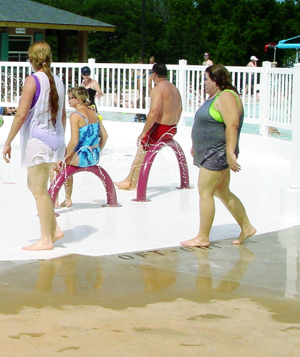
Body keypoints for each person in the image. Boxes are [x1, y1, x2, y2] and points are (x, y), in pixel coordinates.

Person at [2, 41, 66, 251]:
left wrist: (8, 140)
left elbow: (21, 115)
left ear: (31, 59)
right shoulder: (58, 80)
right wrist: (60, 148)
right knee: (36, 187)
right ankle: (54, 229)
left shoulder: (33, 80)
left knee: (39, 191)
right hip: (54, 139)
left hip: (38, 141)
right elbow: (62, 116)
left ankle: (46, 239)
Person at [182, 64, 256, 247]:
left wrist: (230, 153)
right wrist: (196, 145)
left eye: (206, 79)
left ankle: (202, 237)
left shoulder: (227, 96)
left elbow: (232, 125)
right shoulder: (218, 96)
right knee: (222, 191)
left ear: (216, 80)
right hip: (211, 151)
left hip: (217, 153)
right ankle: (246, 227)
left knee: (205, 191)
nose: (204, 83)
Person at [117, 62, 183, 190]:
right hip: (172, 128)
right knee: (143, 148)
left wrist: (144, 132)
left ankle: (131, 182)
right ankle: (130, 180)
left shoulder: (158, 89)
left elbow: (153, 112)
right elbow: (180, 110)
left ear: (154, 74)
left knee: (141, 147)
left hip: (160, 128)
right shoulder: (175, 88)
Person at [55, 86, 109, 208]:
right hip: (94, 156)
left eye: (70, 98)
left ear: (78, 99)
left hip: (82, 157)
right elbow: (105, 136)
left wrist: (62, 157)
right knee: (65, 165)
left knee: (55, 165)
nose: (68, 101)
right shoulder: (93, 112)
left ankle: (57, 200)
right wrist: (98, 150)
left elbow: (74, 141)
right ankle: (67, 199)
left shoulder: (76, 115)